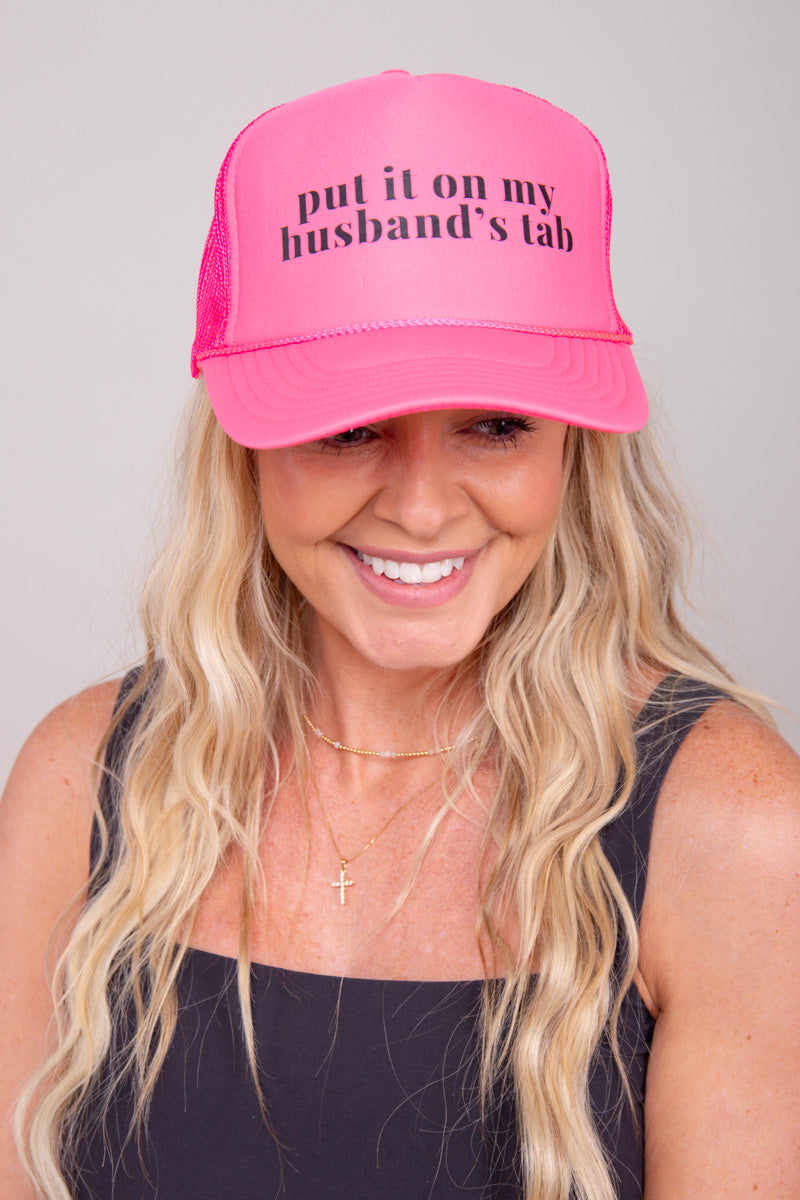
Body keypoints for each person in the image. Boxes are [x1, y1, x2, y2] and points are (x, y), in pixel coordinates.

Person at [2, 71, 798, 1200]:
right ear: (241, 446)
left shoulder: (735, 834)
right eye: (351, 427)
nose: (422, 510)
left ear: (574, 449)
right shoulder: (78, 785)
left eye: (495, 425)